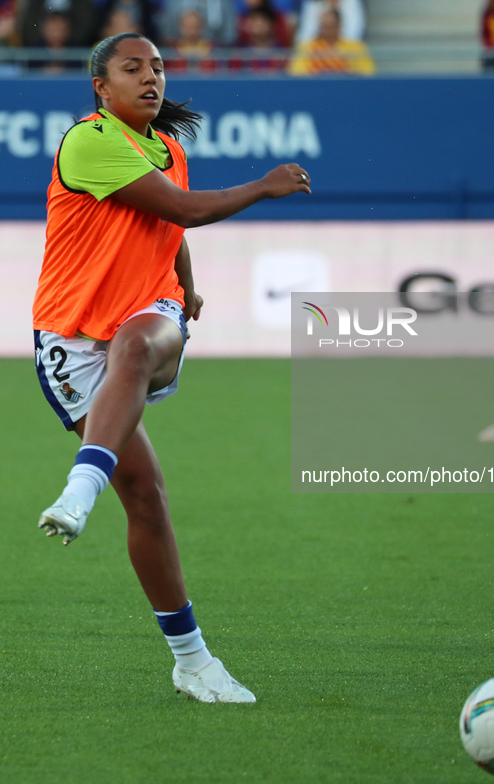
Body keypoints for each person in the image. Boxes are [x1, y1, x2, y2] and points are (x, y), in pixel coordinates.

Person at [33, 32, 311, 703]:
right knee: (148, 501)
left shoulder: (166, 147)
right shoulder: (89, 141)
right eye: (133, 68)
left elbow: (169, 228)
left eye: (157, 67)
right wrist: (264, 186)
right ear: (101, 87)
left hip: (145, 317)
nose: (151, 78)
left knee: (137, 346)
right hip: (69, 338)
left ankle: (79, 488)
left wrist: (185, 287)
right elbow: (183, 209)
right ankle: (192, 662)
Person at [289, 7, 375, 75]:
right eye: (323, 26)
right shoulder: (307, 47)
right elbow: (296, 72)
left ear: (338, 25)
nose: (325, 30)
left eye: (329, 26)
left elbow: (368, 71)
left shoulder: (356, 47)